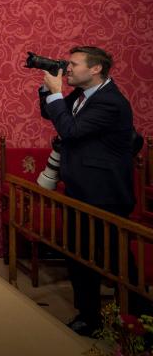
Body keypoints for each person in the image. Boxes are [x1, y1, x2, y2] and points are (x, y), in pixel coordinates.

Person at [39, 46, 139, 336]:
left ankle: (137, 316)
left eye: (73, 64)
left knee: (116, 258)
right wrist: (48, 89)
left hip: (105, 193)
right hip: (79, 189)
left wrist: (57, 92)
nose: (68, 68)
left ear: (95, 69)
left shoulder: (110, 102)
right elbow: (52, 115)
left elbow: (70, 131)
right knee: (78, 255)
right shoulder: (84, 96)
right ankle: (89, 316)